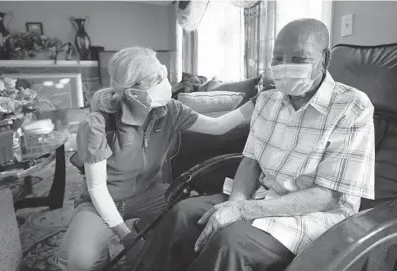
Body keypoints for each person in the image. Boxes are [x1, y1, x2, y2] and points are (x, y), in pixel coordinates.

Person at [134, 18, 375, 271]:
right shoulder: (267, 100)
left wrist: (243, 211)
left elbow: (328, 197)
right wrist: (235, 203)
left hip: (314, 215)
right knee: (183, 214)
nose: (284, 67)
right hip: (260, 196)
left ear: (324, 60)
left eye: (298, 59)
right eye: (278, 59)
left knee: (230, 241)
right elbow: (251, 161)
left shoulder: (351, 106)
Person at [57, 46, 255, 271]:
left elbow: (217, 127)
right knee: (77, 261)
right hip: (103, 200)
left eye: (162, 73)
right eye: (155, 79)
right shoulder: (97, 124)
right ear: (132, 92)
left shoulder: (170, 110)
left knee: (190, 214)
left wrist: (255, 103)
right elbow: (97, 189)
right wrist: (124, 234)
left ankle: (147, 233)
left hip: (148, 194)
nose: (164, 82)